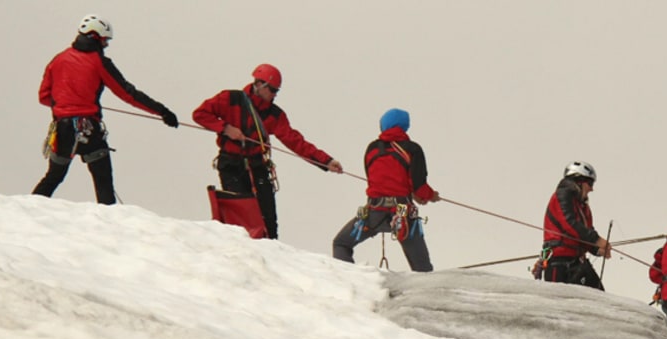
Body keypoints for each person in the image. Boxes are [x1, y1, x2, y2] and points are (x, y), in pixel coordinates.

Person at [32, 14, 179, 205]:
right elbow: (128, 93)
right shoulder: (99, 62)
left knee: (53, 177)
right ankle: (110, 219)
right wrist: (162, 111)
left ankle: (26, 209)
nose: (106, 45)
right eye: (105, 40)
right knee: (103, 183)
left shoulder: (58, 60)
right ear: (95, 37)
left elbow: (44, 97)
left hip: (62, 131)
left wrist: (67, 102)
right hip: (89, 130)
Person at [192, 64, 343, 239]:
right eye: (272, 90)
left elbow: (295, 141)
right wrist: (225, 128)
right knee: (240, 216)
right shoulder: (230, 99)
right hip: (231, 165)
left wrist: (325, 161)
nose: (274, 95)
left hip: (258, 166)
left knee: (268, 220)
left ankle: (270, 250)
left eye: (276, 91)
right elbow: (200, 114)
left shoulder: (275, 115)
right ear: (259, 84)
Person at [332, 108, 438, 271]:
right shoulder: (412, 149)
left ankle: (350, 280)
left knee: (341, 243)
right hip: (402, 214)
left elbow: (375, 178)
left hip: (373, 212)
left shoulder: (372, 149)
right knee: (422, 269)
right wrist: (430, 196)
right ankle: (427, 284)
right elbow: (419, 187)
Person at [534, 161, 611, 290]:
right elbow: (570, 224)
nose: (592, 189)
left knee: (598, 293)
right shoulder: (563, 195)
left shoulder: (583, 206)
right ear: (579, 181)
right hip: (559, 263)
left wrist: (596, 249)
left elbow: (585, 231)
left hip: (576, 261)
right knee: (559, 298)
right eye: (590, 183)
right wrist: (597, 240)